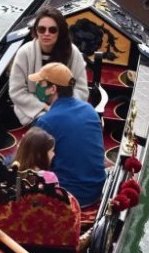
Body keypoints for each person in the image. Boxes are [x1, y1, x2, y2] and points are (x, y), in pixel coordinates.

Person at [30, 62, 106, 208]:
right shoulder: (89, 109)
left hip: (69, 197)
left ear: (52, 89)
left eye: (41, 83)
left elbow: (28, 160)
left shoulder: (46, 122)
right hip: (96, 191)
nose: (38, 86)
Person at [9, 6, 89, 125]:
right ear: (36, 31)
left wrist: (61, 108)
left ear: (60, 32)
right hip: (33, 111)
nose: (46, 34)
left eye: (52, 30)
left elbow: (81, 90)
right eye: (41, 29)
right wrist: (45, 108)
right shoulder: (24, 52)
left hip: (66, 108)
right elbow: (17, 91)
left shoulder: (73, 52)